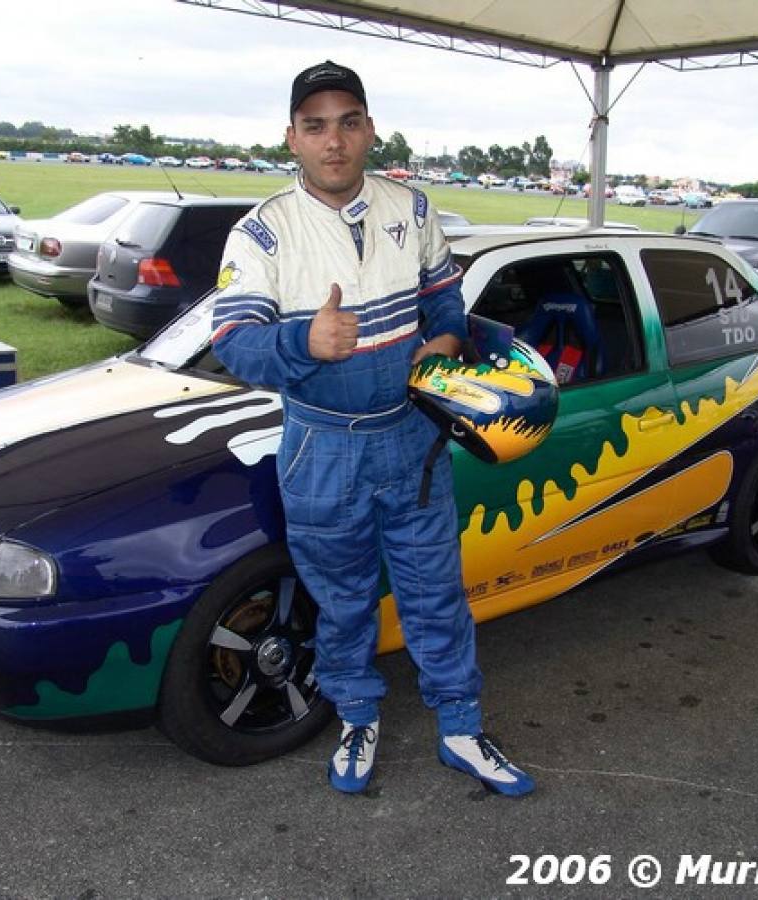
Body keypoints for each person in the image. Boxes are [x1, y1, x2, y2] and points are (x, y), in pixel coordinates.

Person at [210, 60, 534, 798]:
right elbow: (232, 341)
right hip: (321, 448)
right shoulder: (261, 233)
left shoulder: (413, 210)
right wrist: (302, 344)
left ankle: (460, 726)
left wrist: (447, 340)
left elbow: (446, 301)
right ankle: (357, 716)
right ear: (291, 137)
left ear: (370, 129)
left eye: (349, 122)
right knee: (344, 598)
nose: (335, 141)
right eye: (316, 126)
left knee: (435, 594)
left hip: (410, 437)